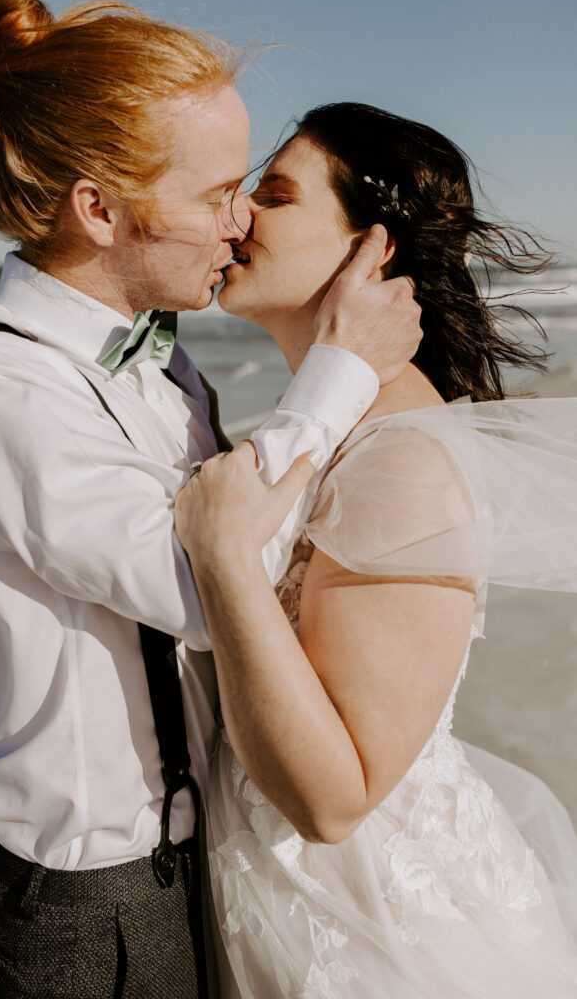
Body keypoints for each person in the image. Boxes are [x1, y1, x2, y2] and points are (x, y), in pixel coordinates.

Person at [0, 0, 422, 997]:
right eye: (216, 192)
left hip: (197, 852)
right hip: (81, 897)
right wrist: (333, 374)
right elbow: (197, 591)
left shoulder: (160, 363)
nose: (241, 223)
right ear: (98, 208)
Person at [174, 103, 577, 997]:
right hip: (286, 898)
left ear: (373, 250)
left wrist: (226, 560)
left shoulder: (398, 461)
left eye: (273, 195)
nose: (236, 213)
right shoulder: (338, 433)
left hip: (371, 934)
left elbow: (334, 796)